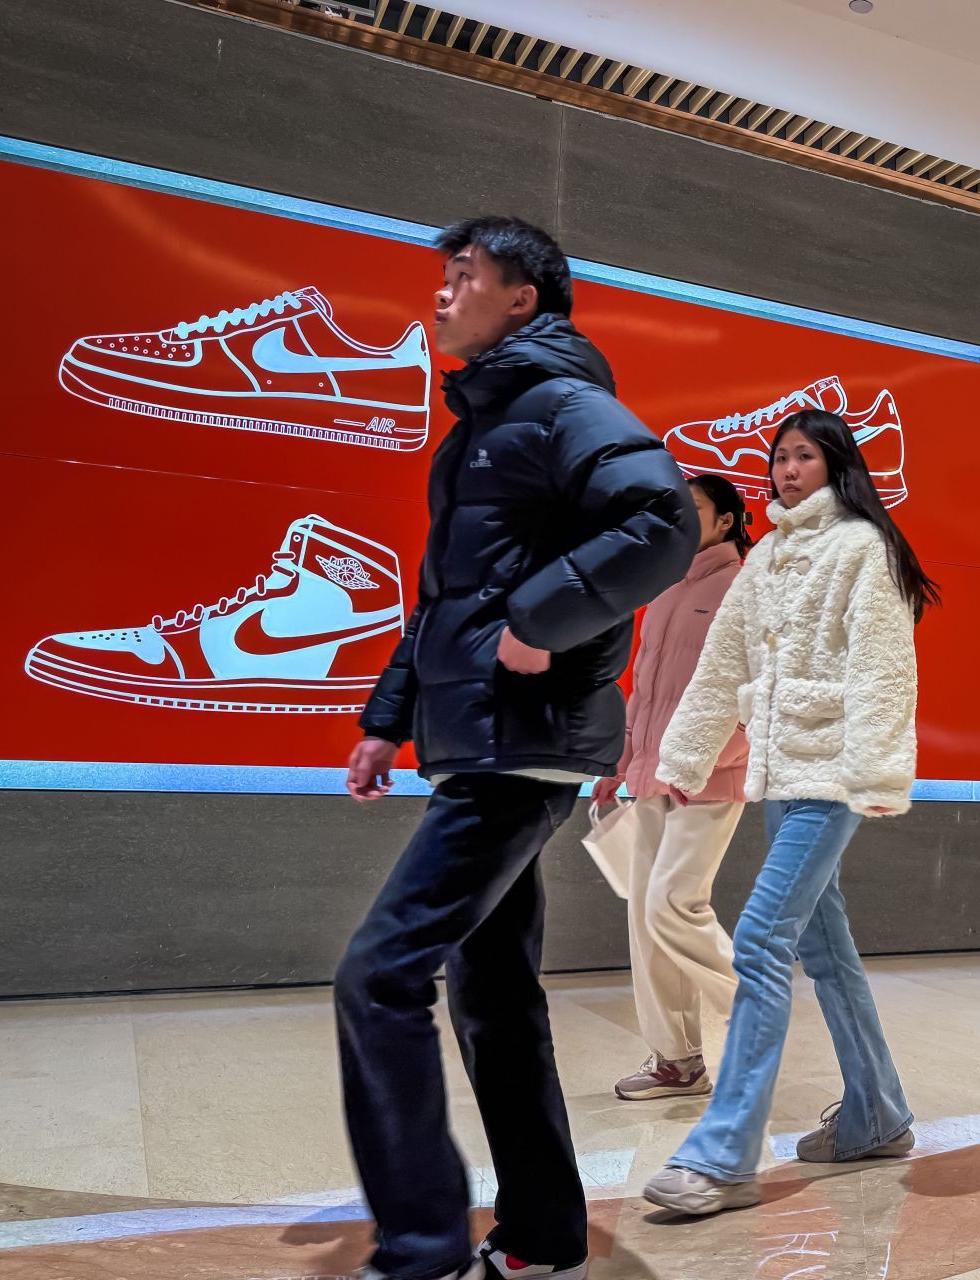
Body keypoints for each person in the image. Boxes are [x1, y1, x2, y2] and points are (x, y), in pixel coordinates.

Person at [336, 216, 697, 1280]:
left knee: (379, 974)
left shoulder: (561, 405)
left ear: (522, 299)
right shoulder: (483, 428)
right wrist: (385, 719)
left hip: (519, 744)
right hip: (481, 738)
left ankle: (420, 1247)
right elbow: (447, 602)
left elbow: (659, 520)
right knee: (490, 989)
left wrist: (540, 621)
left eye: (463, 279)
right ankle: (541, 1234)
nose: (440, 297)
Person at [639, 408, 939, 1217]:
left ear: (837, 465)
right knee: (826, 951)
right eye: (778, 458)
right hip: (780, 777)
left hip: (832, 777)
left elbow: (884, 668)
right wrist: (681, 759)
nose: (785, 470)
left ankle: (724, 1153)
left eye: (803, 456)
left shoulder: (861, 547)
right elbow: (719, 664)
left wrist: (876, 772)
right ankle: (877, 1114)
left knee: (764, 940)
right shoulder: (767, 554)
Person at [592, 474, 754, 1102]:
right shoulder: (662, 591)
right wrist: (621, 761)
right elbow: (646, 693)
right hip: (649, 778)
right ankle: (677, 1061)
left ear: (726, 521)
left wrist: (704, 760)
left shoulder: (743, 587)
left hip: (706, 783)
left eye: (695, 511)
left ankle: (755, 1013)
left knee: (672, 906)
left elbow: (753, 697)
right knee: (645, 917)